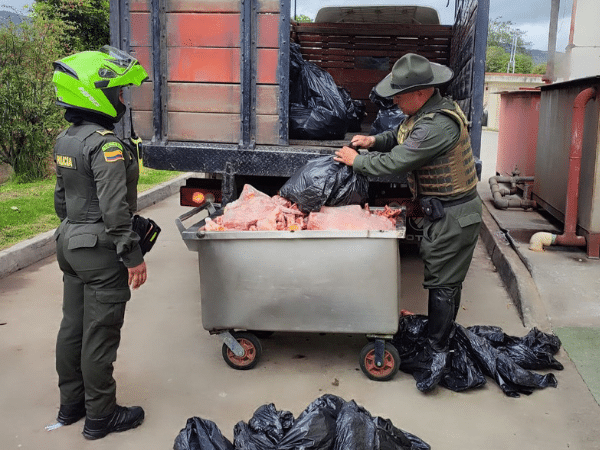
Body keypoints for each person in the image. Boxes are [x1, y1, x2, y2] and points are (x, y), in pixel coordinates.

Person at [334, 53, 482, 372]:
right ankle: (441, 337)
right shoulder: (424, 114)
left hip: (454, 216)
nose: (396, 102)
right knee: (445, 279)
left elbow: (398, 160)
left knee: (443, 284)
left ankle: (437, 350)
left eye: (399, 96)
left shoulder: (438, 125)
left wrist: (355, 160)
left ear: (419, 92)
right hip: (443, 211)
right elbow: (401, 136)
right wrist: (373, 140)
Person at [51, 46, 149, 439]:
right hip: (99, 249)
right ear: (98, 93)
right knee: (100, 333)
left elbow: (61, 199)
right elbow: (114, 210)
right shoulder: (107, 145)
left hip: (69, 241)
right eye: (118, 92)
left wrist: (77, 232)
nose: (122, 99)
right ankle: (101, 416)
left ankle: (71, 405)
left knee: (72, 328)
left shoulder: (66, 140)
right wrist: (133, 256)